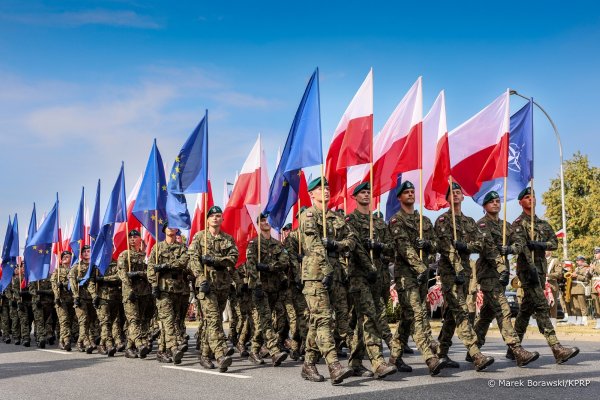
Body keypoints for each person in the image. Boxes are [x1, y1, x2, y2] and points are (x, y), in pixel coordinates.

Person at [510, 187, 579, 364]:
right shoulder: (518, 224)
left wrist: (538, 244)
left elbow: (553, 243)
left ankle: (513, 349)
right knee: (541, 306)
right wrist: (531, 264)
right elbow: (521, 247)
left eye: (533, 196)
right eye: (527, 197)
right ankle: (556, 348)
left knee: (526, 309)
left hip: (541, 271)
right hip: (527, 270)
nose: (531, 199)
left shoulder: (543, 224)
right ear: (521, 202)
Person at [471, 190, 539, 367]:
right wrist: (501, 264)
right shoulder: (481, 225)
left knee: (486, 314)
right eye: (491, 201)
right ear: (485, 206)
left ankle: (474, 349)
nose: (495, 203)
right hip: (488, 273)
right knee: (503, 309)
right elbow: (486, 249)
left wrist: (510, 250)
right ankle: (516, 350)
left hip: (502, 275)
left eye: (497, 201)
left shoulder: (506, 226)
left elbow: (519, 242)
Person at [387, 181, 447, 376]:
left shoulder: (425, 222)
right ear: (400, 198)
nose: (411, 194)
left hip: (422, 278)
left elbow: (438, 245)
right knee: (418, 314)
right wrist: (421, 267)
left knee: (407, 318)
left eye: (413, 192)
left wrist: (427, 243)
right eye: (407, 192)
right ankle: (430, 357)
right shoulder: (396, 221)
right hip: (407, 276)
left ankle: (395, 357)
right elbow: (404, 249)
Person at [298, 177, 354, 385]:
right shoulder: (308, 215)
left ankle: (309, 364)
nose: (326, 190)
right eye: (320, 188)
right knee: (322, 320)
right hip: (315, 276)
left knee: (322, 321)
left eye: (328, 187)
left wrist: (335, 244)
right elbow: (314, 245)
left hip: (336, 275)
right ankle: (334, 366)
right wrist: (327, 267)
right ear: (312, 194)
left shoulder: (337, 217)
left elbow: (351, 241)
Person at [434, 182, 494, 371]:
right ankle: (476, 354)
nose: (457, 195)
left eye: (459, 192)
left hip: (466, 274)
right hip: (450, 274)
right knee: (461, 311)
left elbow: (480, 244)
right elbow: (446, 248)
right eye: (453, 193)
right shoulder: (442, 221)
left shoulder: (469, 221)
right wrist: (458, 268)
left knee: (452, 315)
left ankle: (441, 353)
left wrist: (466, 247)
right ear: (448, 199)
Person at [342, 182, 398, 378]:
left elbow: (392, 248)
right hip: (359, 276)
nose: (366, 195)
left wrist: (379, 245)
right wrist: (367, 261)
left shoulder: (379, 223)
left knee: (362, 319)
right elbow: (352, 247)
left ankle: (356, 362)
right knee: (370, 316)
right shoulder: (350, 220)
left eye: (368, 192)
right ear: (354, 197)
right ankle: (377, 361)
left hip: (378, 277)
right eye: (362, 192)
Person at [188, 206, 237, 372]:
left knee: (210, 322)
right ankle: (220, 354)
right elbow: (193, 259)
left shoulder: (228, 239)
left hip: (222, 285)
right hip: (206, 286)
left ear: (222, 219)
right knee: (214, 319)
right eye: (213, 216)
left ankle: (204, 354)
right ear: (207, 220)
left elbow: (232, 259)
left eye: (218, 216)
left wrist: (215, 261)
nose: (216, 218)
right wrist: (201, 279)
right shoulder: (200, 237)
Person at [244, 213, 289, 367]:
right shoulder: (253, 244)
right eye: (262, 220)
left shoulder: (277, 244)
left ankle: (254, 350)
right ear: (258, 224)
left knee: (268, 320)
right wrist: (256, 283)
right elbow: (250, 266)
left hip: (275, 287)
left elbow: (284, 262)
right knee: (266, 318)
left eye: (267, 220)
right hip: (260, 287)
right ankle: (274, 351)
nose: (265, 222)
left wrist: (268, 267)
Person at [148, 223, 190, 364]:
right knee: (167, 320)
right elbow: (151, 268)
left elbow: (183, 262)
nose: (171, 228)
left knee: (173, 320)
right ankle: (173, 347)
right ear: (164, 230)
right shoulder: (157, 247)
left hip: (178, 290)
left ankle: (161, 351)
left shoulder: (182, 248)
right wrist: (154, 285)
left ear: (177, 229)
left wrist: (166, 266)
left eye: (174, 226)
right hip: (163, 289)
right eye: (168, 226)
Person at [117, 229, 154, 359]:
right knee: (133, 320)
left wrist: (142, 275)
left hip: (144, 292)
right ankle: (139, 344)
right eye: (130, 237)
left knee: (141, 320)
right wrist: (129, 289)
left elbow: (150, 273)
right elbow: (122, 274)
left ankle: (129, 347)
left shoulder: (145, 256)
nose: (132, 239)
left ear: (140, 239)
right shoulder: (124, 255)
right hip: (130, 292)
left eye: (135, 237)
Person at [51, 251, 76, 351]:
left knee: (69, 321)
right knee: (64, 320)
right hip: (61, 300)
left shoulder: (74, 270)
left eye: (68, 256)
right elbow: (54, 285)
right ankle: (66, 341)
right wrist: (57, 297)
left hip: (72, 299)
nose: (66, 258)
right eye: (64, 257)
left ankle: (61, 341)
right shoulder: (57, 271)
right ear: (61, 259)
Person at [570, 256, 591, 326]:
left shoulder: (586, 268)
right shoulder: (576, 269)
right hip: (574, 289)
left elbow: (586, 279)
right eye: (577, 261)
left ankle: (584, 320)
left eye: (578, 260)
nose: (577, 262)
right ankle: (579, 320)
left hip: (580, 288)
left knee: (582, 305)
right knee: (576, 306)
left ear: (582, 261)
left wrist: (576, 276)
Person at [546, 251, 563, 327]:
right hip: (542, 284)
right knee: (543, 303)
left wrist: (548, 275)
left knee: (553, 304)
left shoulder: (555, 261)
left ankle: (553, 321)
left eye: (546, 250)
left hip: (551, 284)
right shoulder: (540, 260)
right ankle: (545, 321)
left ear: (550, 252)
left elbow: (559, 274)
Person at [590, 248, 600, 329]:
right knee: (596, 304)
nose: (595, 255)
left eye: (597, 253)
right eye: (595, 253)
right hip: (594, 286)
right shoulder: (594, 262)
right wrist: (589, 271)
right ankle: (598, 322)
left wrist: (594, 268)